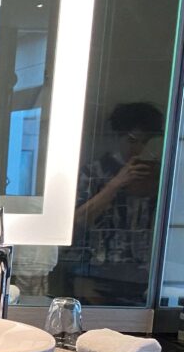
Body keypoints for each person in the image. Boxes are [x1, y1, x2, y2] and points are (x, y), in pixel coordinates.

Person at [61, 102, 163, 304]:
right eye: (132, 140)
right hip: (94, 273)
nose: (139, 148)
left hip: (143, 276)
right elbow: (77, 222)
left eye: (146, 142)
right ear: (118, 136)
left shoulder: (160, 174)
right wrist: (115, 184)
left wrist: (155, 184)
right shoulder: (94, 172)